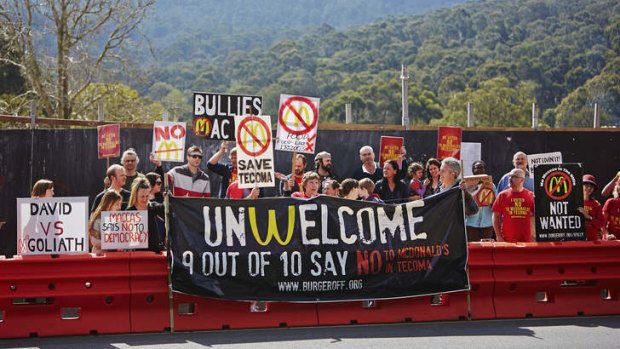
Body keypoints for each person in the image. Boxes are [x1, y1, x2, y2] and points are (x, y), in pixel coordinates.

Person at [492, 168, 535, 242]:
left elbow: (535, 216)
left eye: (514, 177)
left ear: (522, 180)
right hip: (507, 240)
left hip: (527, 239)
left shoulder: (530, 195)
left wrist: (533, 235)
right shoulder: (502, 195)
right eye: (510, 176)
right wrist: (498, 236)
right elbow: (495, 216)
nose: (510, 179)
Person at [126, 178, 164, 252]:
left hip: (154, 251)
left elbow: (165, 208)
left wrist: (167, 198)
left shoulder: (153, 207)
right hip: (136, 253)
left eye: (147, 196)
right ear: (135, 195)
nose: (144, 199)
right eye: (142, 196)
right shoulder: (129, 211)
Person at [465, 160, 497, 241]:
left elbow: (496, 203)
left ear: (484, 170)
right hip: (471, 223)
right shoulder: (466, 186)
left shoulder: (491, 185)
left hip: (487, 223)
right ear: (473, 170)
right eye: (477, 168)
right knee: (472, 248)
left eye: (481, 168)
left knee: (486, 249)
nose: (479, 170)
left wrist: (491, 199)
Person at [88, 190, 122, 254]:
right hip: (100, 257)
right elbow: (94, 241)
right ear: (108, 205)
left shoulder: (120, 220)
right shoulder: (98, 220)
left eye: (120, 204)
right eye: (117, 204)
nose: (119, 207)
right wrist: (110, 245)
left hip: (115, 257)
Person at [577, 174, 605, 241]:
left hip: (592, 240)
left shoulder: (596, 204)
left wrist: (589, 217)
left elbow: (601, 224)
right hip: (577, 240)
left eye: (591, 186)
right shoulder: (574, 202)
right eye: (586, 185)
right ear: (581, 186)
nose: (589, 188)